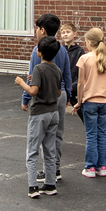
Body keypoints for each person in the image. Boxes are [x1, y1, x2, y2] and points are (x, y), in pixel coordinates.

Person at [21, 13, 73, 182]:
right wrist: (69, 95)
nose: (36, 31)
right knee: (57, 133)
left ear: (42, 30)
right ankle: (55, 168)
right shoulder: (63, 49)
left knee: (40, 135)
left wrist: (25, 98)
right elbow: (67, 75)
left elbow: (32, 76)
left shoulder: (38, 50)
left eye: (37, 28)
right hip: (60, 94)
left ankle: (45, 172)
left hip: (43, 96)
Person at [15, 35, 62, 198]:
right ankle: (50, 184)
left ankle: (33, 186)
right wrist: (33, 81)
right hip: (53, 112)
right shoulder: (57, 69)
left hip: (39, 113)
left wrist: (22, 83)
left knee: (33, 149)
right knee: (50, 149)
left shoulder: (38, 69)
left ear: (39, 52)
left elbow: (33, 91)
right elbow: (58, 92)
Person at [70, 28, 106, 177]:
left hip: (89, 102)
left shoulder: (84, 58)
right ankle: (102, 166)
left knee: (91, 135)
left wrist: (78, 101)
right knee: (101, 134)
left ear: (89, 42)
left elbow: (80, 83)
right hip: (104, 103)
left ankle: (90, 167)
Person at [60, 22, 85, 122]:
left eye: (68, 32)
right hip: (61, 87)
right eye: (63, 32)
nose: (65, 34)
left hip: (74, 88)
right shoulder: (60, 50)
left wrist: (73, 86)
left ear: (74, 34)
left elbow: (81, 72)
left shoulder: (80, 51)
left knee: (82, 112)